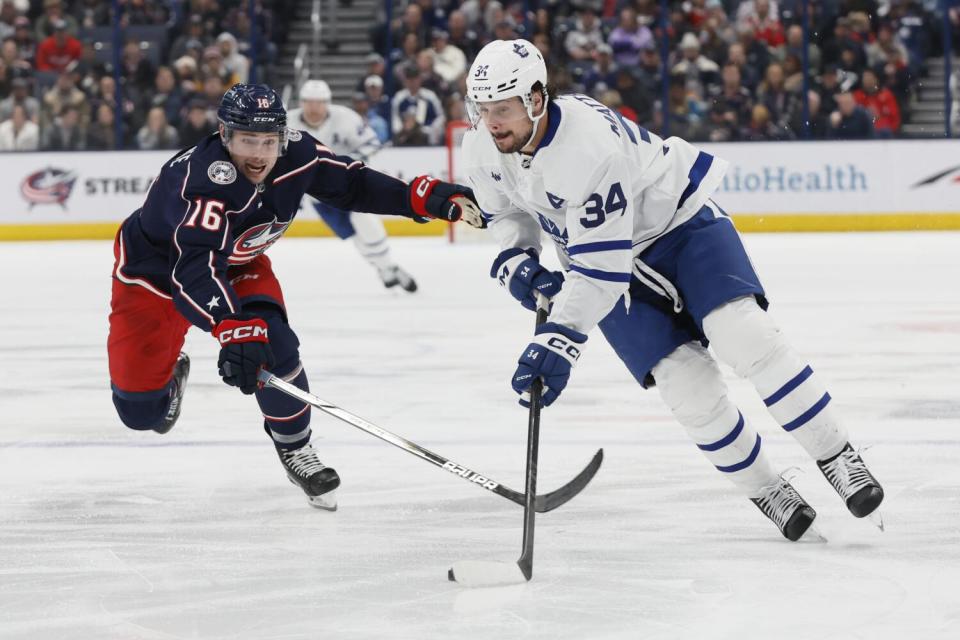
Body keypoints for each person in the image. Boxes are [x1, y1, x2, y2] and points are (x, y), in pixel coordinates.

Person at [460, 39, 883, 541]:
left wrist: (560, 338)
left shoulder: (587, 145)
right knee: (687, 388)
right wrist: (517, 259)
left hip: (678, 226)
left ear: (535, 99)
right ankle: (766, 489)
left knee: (743, 336)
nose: (491, 122)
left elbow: (602, 266)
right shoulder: (483, 146)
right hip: (605, 262)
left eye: (502, 109)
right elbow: (505, 211)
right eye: (482, 109)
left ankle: (837, 457)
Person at [108, 83, 481, 510]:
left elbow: (351, 183)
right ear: (224, 135)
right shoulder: (202, 184)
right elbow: (194, 268)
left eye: (269, 141)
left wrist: (422, 197)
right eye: (248, 140)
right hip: (153, 278)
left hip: (238, 263)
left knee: (274, 343)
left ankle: (295, 447)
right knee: (141, 414)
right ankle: (172, 373)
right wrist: (230, 326)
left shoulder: (296, 153)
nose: (259, 154)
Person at [287, 79, 419, 292]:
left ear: (327, 102)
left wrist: (343, 166)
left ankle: (387, 266)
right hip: (317, 195)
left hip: (349, 185)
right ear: (301, 102)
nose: (314, 108)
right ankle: (386, 268)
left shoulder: (345, 118)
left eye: (318, 102)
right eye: (309, 102)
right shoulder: (288, 122)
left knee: (365, 221)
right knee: (353, 235)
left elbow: (372, 143)